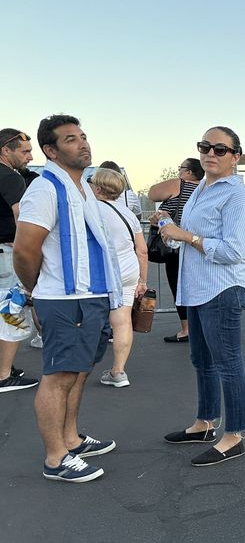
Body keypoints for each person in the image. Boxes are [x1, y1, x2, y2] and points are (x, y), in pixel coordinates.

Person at [13, 115, 122, 482]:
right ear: (51, 151)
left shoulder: (82, 189)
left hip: (90, 295)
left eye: (84, 137)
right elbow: (25, 249)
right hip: (64, 298)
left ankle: (71, 439)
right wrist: (36, 289)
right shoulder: (45, 189)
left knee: (77, 372)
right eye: (71, 139)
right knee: (58, 376)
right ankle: (56, 458)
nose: (83, 144)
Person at [155, 127, 245, 466]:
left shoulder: (239, 197)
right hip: (197, 288)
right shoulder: (201, 187)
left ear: (236, 156)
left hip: (222, 288)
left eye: (220, 149)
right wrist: (169, 226)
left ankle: (235, 434)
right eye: (205, 147)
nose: (210, 153)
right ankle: (205, 422)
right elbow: (189, 238)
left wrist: (186, 235)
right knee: (202, 360)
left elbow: (232, 250)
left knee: (228, 363)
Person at [91, 168, 148, 387]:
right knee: (122, 320)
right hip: (128, 271)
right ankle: (118, 371)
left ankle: (78, 370)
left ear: (97, 187)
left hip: (100, 271)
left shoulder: (90, 210)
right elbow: (141, 250)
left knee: (91, 318)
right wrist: (142, 281)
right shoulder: (128, 214)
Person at [148, 158, 204, 342]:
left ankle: (187, 329)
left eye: (181, 168)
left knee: (178, 284)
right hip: (198, 243)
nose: (179, 171)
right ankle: (201, 326)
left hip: (176, 243)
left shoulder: (178, 184)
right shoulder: (205, 188)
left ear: (188, 172)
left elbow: (152, 194)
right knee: (198, 284)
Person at [0, 129, 39, 392]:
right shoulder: (11, 178)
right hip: (7, 254)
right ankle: (4, 375)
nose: (30, 156)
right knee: (11, 312)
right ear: (6, 150)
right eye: (24, 151)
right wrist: (30, 252)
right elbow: (21, 217)